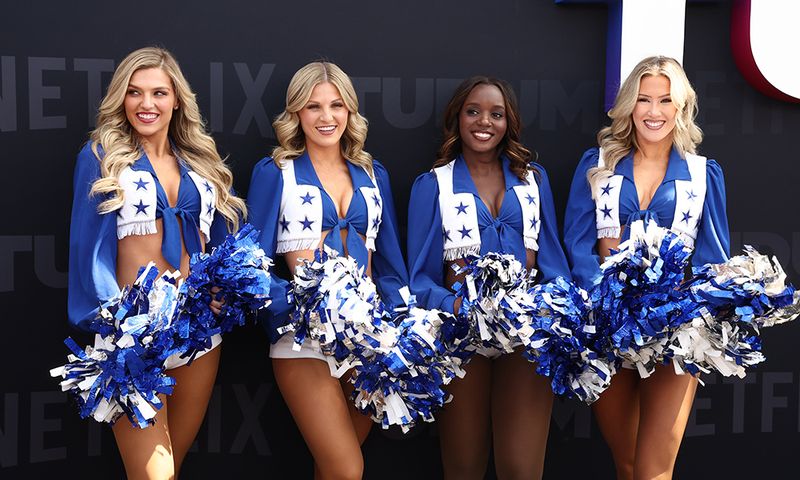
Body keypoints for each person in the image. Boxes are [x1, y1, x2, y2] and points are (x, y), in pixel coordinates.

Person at [67, 46, 246, 479]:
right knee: (155, 475)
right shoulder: (101, 156)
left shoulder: (201, 162)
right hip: (132, 337)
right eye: (135, 93)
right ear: (121, 99)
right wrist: (116, 323)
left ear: (177, 99)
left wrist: (224, 291)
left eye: (159, 93)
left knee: (173, 465)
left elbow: (223, 244)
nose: (147, 104)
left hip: (197, 334)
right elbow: (88, 250)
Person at [563, 55, 730, 480]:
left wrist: (691, 311)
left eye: (664, 100)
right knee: (628, 463)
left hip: (674, 329)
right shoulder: (597, 165)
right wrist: (604, 302)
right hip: (605, 326)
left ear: (681, 107)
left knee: (654, 470)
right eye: (643, 100)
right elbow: (578, 243)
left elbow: (713, 259)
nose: (653, 112)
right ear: (628, 106)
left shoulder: (701, 173)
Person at [247, 61, 407, 480]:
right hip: (302, 337)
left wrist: (397, 324)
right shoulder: (275, 172)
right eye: (313, 106)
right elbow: (252, 263)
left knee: (335, 467)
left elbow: (389, 263)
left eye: (337, 105)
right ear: (296, 113)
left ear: (350, 112)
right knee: (347, 467)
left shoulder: (374, 175)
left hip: (367, 339)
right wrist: (296, 304)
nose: (326, 117)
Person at [406, 76, 570, 480]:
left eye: (496, 114)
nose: (484, 122)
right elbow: (420, 279)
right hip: (463, 338)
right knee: (463, 468)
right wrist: (458, 307)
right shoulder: (434, 185)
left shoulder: (534, 180)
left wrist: (542, 308)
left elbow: (554, 262)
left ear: (508, 122)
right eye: (473, 111)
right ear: (457, 118)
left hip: (525, 337)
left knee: (521, 468)